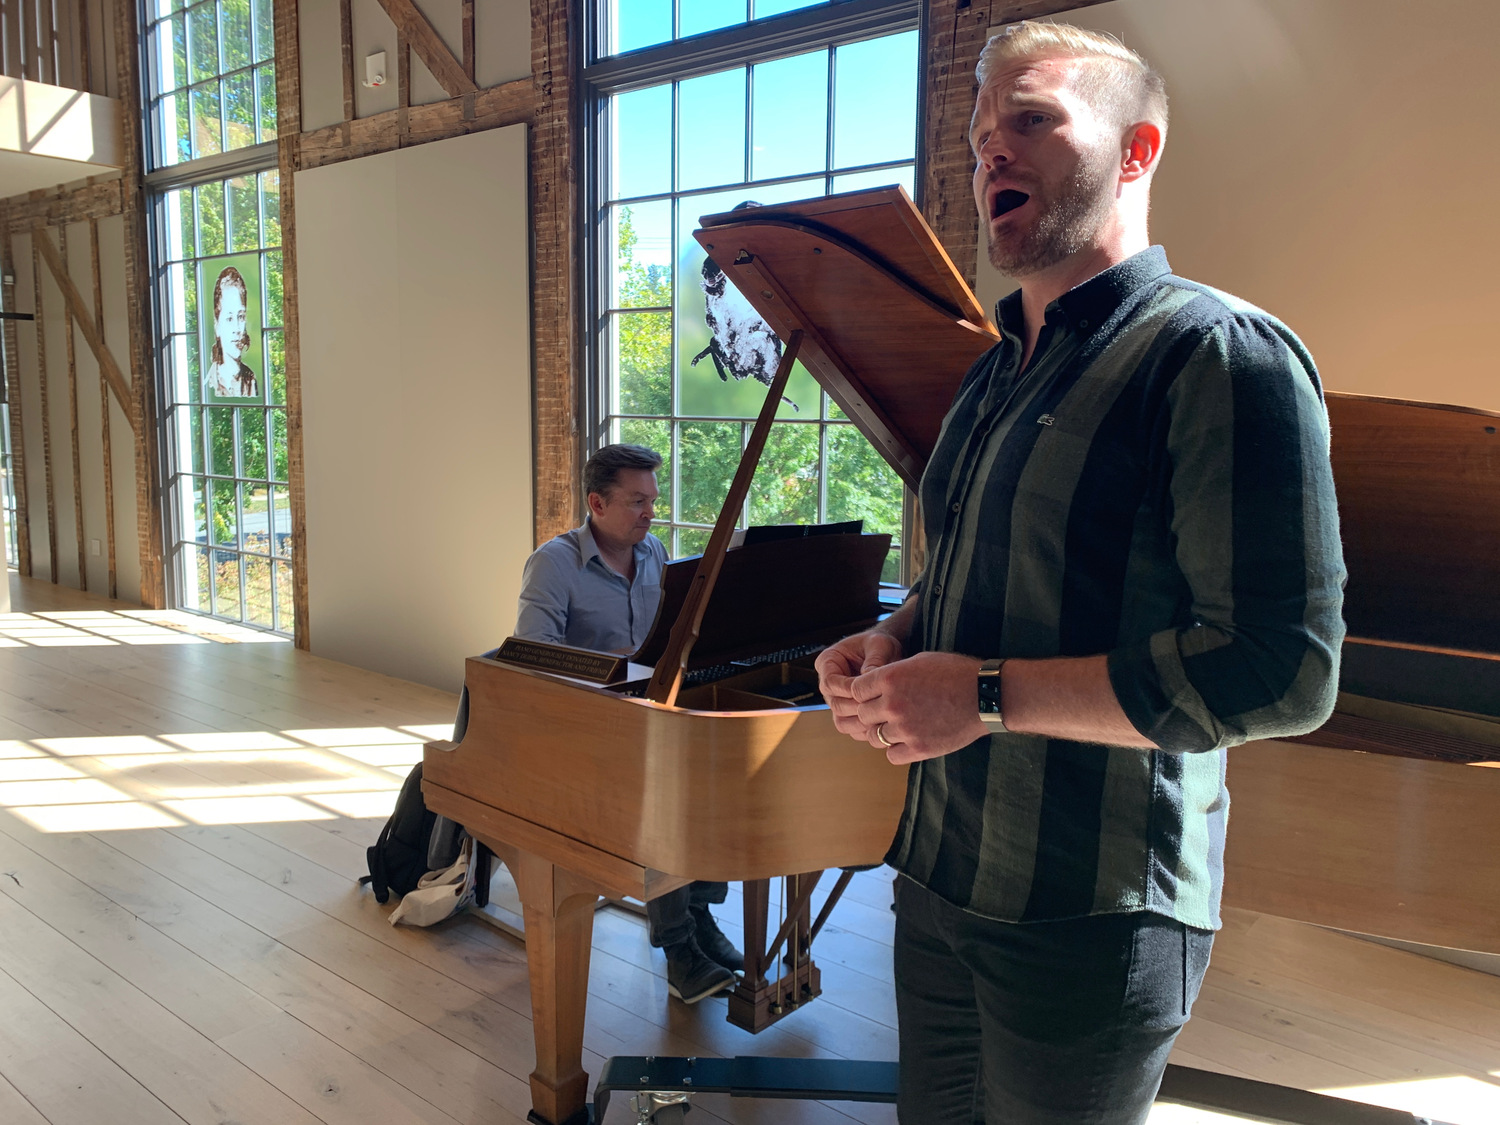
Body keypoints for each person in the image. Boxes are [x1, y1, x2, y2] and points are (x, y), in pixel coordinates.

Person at [815, 21, 1345, 1125]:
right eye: (976, 137)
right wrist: (899, 639)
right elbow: (971, 569)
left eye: (1032, 121)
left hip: (1091, 918)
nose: (988, 153)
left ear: (1138, 150)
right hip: (937, 877)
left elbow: (1280, 673)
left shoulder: (1220, 356)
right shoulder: (991, 373)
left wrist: (986, 695)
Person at [515, 442, 745, 1006]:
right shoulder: (554, 562)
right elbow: (530, 654)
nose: (651, 513)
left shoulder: (655, 553)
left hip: (643, 714)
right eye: (637, 501)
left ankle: (698, 915)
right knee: (665, 794)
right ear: (596, 502)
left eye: (653, 500)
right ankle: (678, 949)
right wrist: (621, 664)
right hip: (583, 725)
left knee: (716, 776)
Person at [206, 266, 257, 398]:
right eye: (229, 319)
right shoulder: (209, 383)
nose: (236, 328)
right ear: (217, 326)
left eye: (240, 317)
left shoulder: (251, 381)